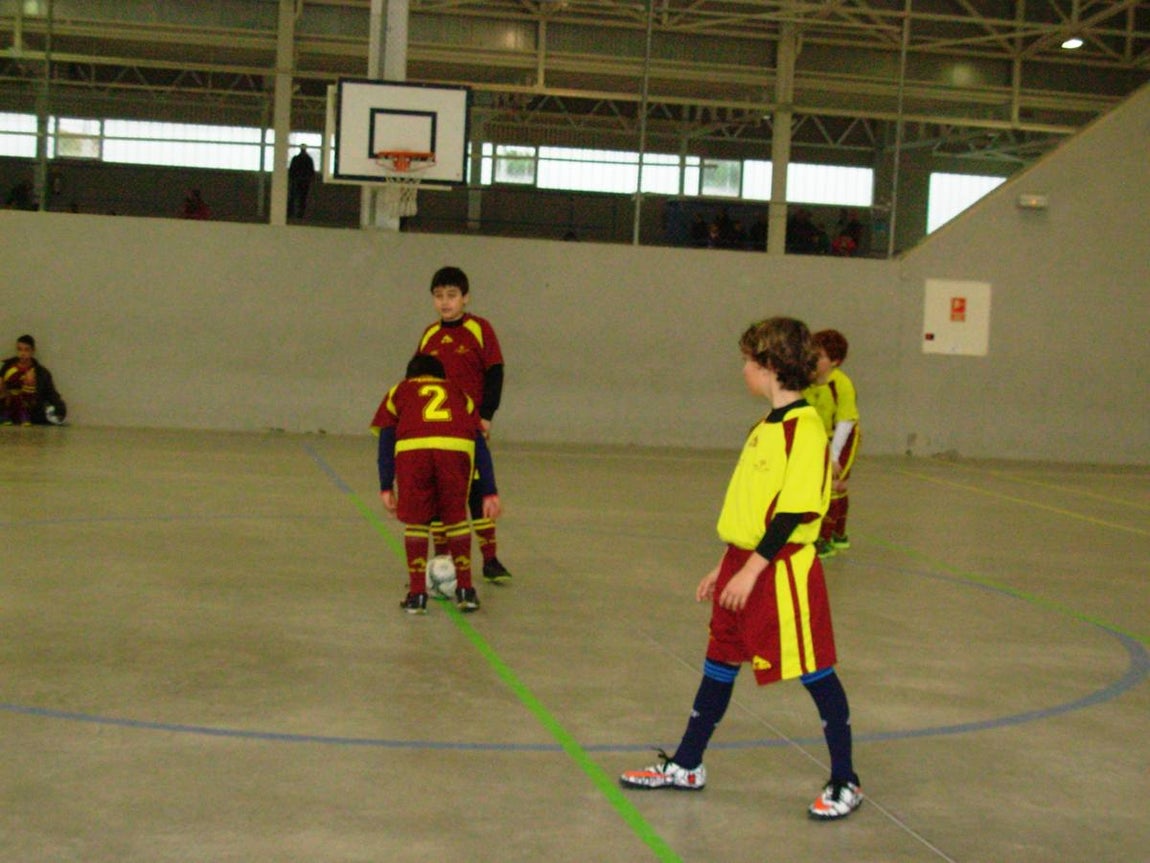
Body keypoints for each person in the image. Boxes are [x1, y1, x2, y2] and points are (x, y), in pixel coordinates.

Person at [619, 316, 862, 821]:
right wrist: (725, 565)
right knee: (720, 659)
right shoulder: (763, 428)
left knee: (814, 669)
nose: (743, 370)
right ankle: (687, 764)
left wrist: (752, 570)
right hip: (743, 560)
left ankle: (846, 779)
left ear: (771, 366)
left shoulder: (805, 428)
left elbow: (794, 510)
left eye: (748, 361)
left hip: (781, 570)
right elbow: (753, 508)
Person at [371, 354, 501, 614]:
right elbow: (479, 442)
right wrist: (489, 490)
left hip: (414, 451)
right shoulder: (458, 393)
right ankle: (466, 591)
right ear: (441, 377)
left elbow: (386, 440)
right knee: (455, 521)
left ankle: (417, 595)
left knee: (417, 523)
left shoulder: (398, 391)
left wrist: (386, 485)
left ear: (411, 376)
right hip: (456, 450)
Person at [415, 266, 514, 584]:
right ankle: (444, 561)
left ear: (465, 298)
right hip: (435, 432)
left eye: (452, 296)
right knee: (441, 495)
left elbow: (495, 372)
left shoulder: (480, 329)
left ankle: (490, 558)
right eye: (439, 296)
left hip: (468, 429)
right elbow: (415, 381)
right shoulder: (429, 335)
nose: (445, 303)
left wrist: (486, 414)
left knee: (477, 491)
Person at [804, 329, 860, 558]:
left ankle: (824, 540)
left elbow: (845, 422)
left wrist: (834, 456)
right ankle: (839, 534)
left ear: (835, 361)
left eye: (820, 356)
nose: (813, 360)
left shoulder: (842, 385)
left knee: (833, 485)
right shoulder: (805, 380)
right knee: (828, 487)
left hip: (843, 438)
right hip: (819, 437)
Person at [1, 334, 67, 426]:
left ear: (33, 351)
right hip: (6, 413)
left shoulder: (41, 373)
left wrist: (60, 410)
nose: (22, 353)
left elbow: (51, 394)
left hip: (31, 416)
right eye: (19, 349)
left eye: (26, 350)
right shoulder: (6, 367)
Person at [287, 144, 316, 219]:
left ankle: (291, 214)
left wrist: (292, 179)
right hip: (304, 182)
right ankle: (299, 215)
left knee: (294, 198)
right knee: (302, 199)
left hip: (297, 181)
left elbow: (291, 171)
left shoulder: (296, 159)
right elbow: (311, 172)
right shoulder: (309, 159)